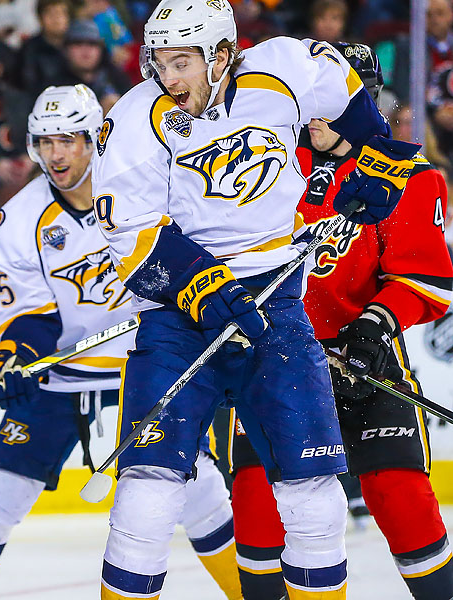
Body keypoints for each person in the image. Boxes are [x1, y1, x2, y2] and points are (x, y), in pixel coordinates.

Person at [91, 0, 422, 598]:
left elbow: (351, 98)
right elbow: (128, 232)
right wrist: (202, 286)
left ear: (221, 55)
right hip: (177, 318)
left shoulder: (285, 66)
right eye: (160, 61)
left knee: (313, 489)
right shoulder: (138, 115)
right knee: (147, 489)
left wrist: (378, 161)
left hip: (275, 307)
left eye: (182, 61)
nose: (169, 77)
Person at [0, 84, 244, 600]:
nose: (57, 154)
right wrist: (12, 358)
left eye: (69, 140)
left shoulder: (145, 186)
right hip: (65, 375)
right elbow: (30, 315)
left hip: (149, 367)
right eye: (46, 141)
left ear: (94, 138)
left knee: (201, 494)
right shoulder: (19, 220)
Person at [228, 43, 453, 600]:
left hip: (364, 358)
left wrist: (377, 323)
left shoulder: (406, 175)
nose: (321, 115)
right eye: (313, 99)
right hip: (274, 355)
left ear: (366, 101)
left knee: (402, 497)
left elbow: (427, 280)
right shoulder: (262, 162)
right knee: (257, 506)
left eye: (338, 100)